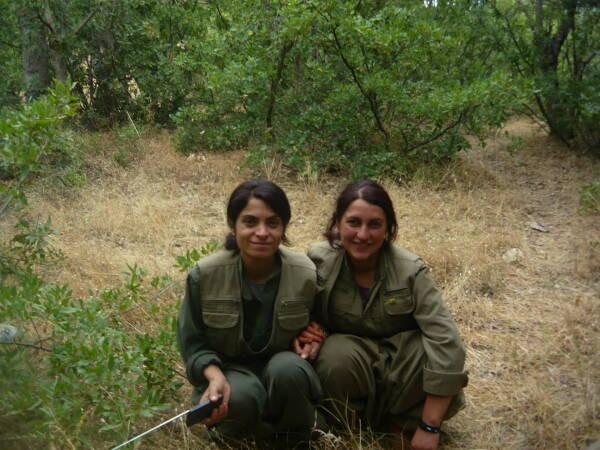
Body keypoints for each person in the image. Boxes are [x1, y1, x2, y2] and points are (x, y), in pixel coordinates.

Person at [301, 180, 468, 450]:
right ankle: (350, 426)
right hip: (352, 363)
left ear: (389, 228)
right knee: (334, 356)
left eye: (374, 224)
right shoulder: (318, 260)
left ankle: (405, 424)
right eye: (353, 222)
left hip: (402, 365)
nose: (363, 234)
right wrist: (310, 328)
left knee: (427, 352)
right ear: (338, 223)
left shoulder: (411, 270)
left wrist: (430, 426)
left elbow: (446, 341)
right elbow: (298, 307)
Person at [177, 179, 323, 447]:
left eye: (273, 223)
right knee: (240, 396)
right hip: (229, 371)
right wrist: (214, 375)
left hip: (283, 371)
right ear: (233, 226)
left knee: (289, 370)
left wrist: (316, 334)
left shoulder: (305, 273)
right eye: (250, 222)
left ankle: (296, 439)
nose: (262, 232)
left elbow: (324, 318)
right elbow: (193, 343)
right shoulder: (204, 275)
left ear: (284, 228)